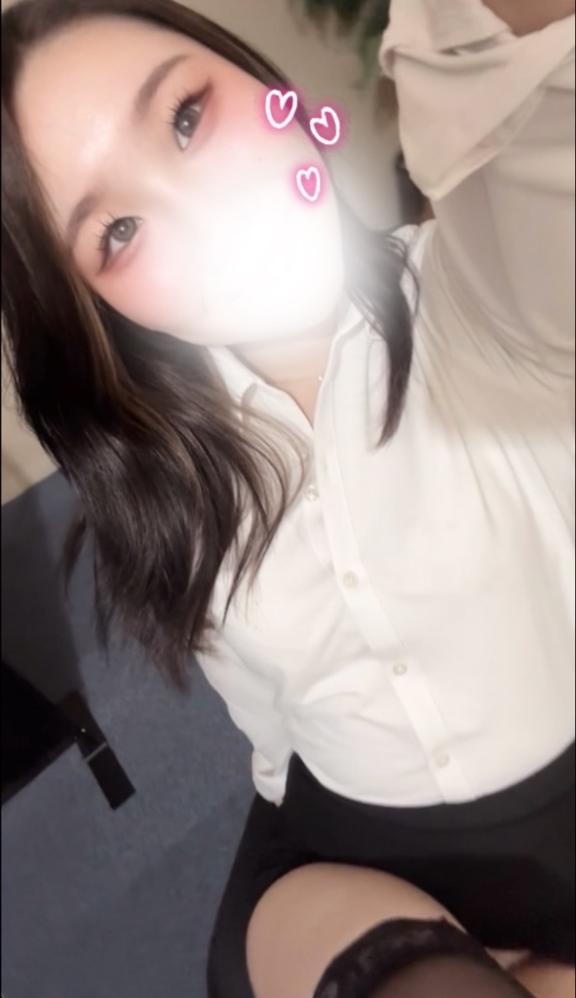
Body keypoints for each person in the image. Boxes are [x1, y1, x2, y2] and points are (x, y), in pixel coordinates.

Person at [1, 0, 574, 996]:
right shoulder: (168, 473)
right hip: (343, 849)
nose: (199, 207)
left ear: (268, 87)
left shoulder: (489, 295)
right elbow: (270, 719)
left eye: (187, 117)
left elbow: (522, 78)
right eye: (118, 231)